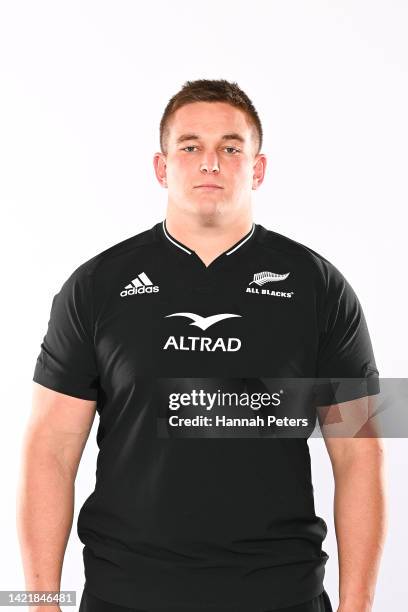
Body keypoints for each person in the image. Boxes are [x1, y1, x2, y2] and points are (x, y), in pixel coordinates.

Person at [17, 79, 387, 612]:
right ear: (161, 167)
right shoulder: (96, 286)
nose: (209, 163)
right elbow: (49, 447)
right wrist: (39, 603)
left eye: (230, 148)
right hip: (126, 596)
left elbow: (360, 451)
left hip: (280, 596)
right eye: (190, 146)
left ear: (258, 168)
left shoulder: (320, 287)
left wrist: (358, 607)